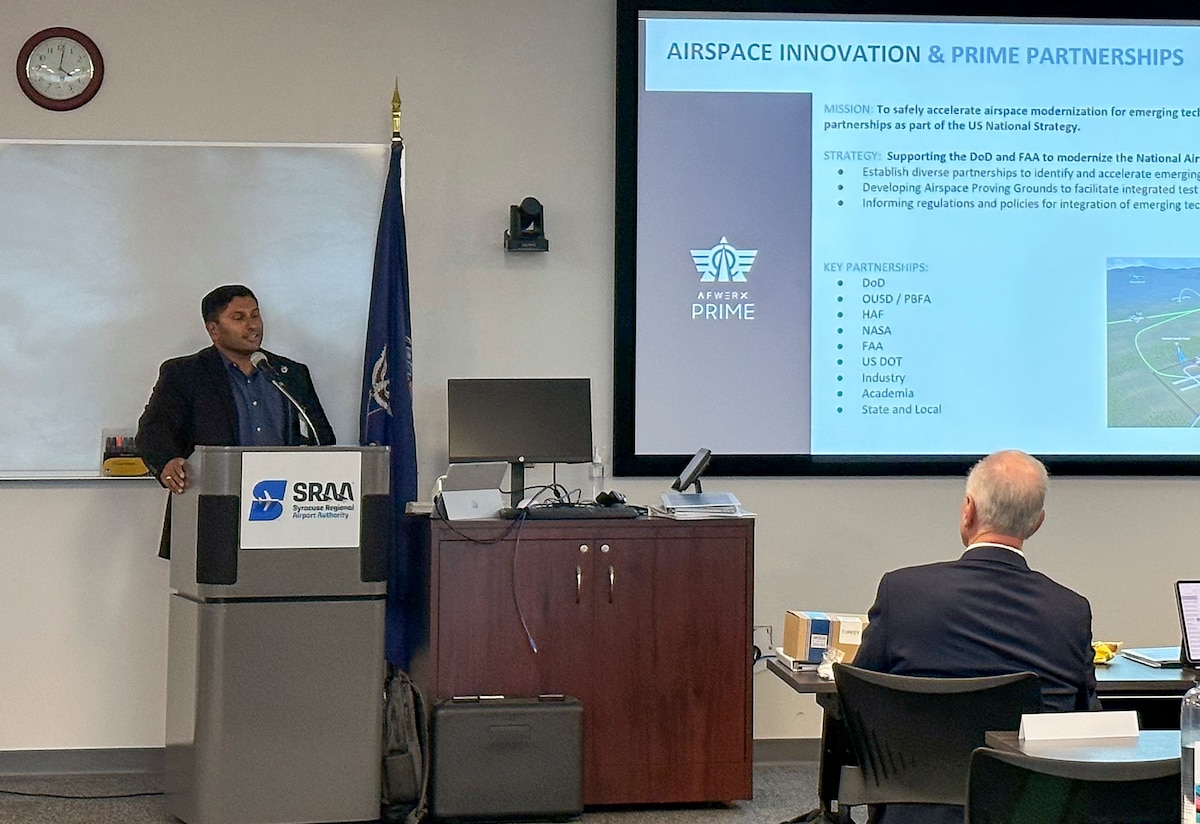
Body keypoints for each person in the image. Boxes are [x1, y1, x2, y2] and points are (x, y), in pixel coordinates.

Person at [852, 449, 1095, 824]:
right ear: (1037, 523)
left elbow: (860, 699)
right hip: (1030, 809)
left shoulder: (901, 592)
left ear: (968, 510)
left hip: (914, 808)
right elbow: (1084, 723)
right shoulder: (1070, 611)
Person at [137, 284, 336, 558]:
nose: (253, 326)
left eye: (255, 315)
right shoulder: (184, 373)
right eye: (239, 318)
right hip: (215, 514)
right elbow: (153, 430)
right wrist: (167, 462)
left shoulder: (290, 374)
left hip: (287, 514)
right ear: (214, 329)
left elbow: (321, 436)